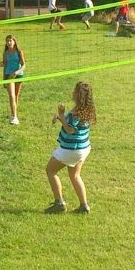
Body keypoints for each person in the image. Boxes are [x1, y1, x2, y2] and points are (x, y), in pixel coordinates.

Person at [45, 82, 96, 214]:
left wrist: (61, 114)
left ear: (78, 96)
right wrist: (60, 118)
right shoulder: (87, 110)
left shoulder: (76, 113)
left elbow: (70, 130)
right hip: (83, 148)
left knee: (50, 170)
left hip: (71, 150)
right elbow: (73, 125)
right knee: (75, 175)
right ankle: (84, 206)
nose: (72, 92)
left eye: (75, 91)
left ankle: (59, 203)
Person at [2, 35, 26, 125]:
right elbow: (4, 66)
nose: (8, 43)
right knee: (11, 96)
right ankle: (14, 117)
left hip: (19, 75)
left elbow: (24, 65)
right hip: (9, 75)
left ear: (14, 41)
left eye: (10, 41)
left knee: (15, 96)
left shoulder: (19, 51)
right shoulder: (5, 53)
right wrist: (4, 79)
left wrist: (17, 72)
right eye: (7, 41)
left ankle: (14, 112)